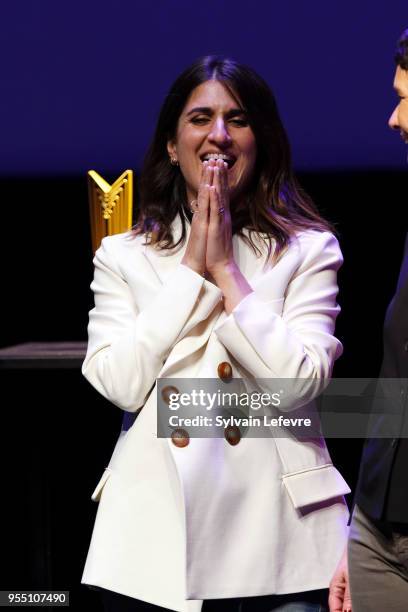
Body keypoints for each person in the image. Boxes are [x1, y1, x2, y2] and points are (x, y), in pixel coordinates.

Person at [81, 56, 350, 612]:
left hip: (280, 535)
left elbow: (299, 384)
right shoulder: (122, 256)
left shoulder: (309, 249)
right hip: (153, 534)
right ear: (172, 146)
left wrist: (226, 270)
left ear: (263, 142)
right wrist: (190, 274)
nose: (220, 135)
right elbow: (122, 384)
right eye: (200, 118)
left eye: (239, 119)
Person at [328, 29, 408, 612]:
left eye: (406, 98)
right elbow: (393, 387)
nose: (393, 118)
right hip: (381, 537)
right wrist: (359, 529)